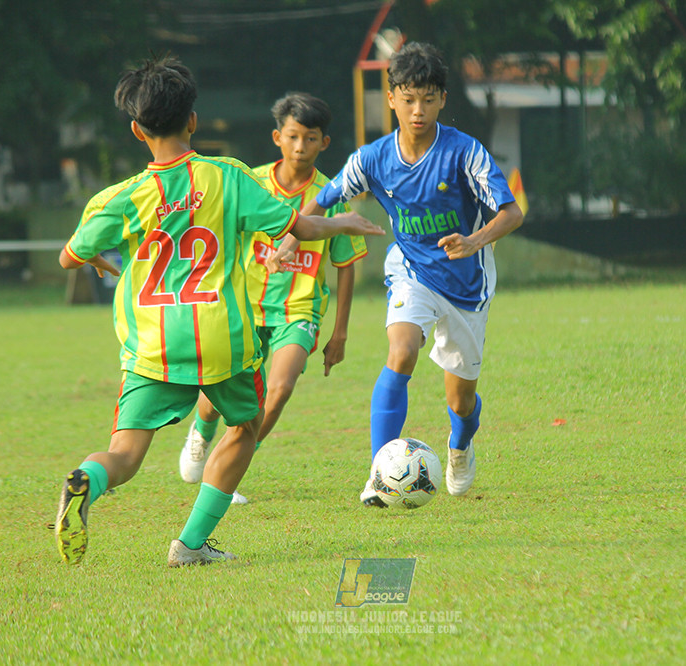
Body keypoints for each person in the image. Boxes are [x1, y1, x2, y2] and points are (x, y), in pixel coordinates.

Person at [54, 55, 383, 566]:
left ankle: (86, 480)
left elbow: (69, 255)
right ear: (193, 121)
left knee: (124, 454)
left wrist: (98, 258)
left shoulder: (122, 197)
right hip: (221, 337)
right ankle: (189, 546)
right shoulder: (228, 177)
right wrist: (344, 223)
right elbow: (299, 226)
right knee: (246, 428)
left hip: (153, 344)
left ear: (137, 130)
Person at [269, 42, 523, 506]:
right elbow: (323, 198)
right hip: (411, 272)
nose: (417, 110)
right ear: (391, 99)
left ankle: (460, 444)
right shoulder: (373, 158)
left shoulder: (464, 152)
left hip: (467, 284)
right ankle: (379, 475)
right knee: (402, 352)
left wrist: (473, 241)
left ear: (443, 99)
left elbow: (511, 213)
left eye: (427, 99)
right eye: (407, 99)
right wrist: (291, 239)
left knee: (461, 400)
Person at [178, 93, 368, 503]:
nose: (301, 147)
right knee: (216, 398)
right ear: (277, 137)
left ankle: (227, 474)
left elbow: (346, 264)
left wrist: (340, 334)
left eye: (311, 138)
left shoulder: (332, 196)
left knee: (278, 389)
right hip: (243, 307)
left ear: (324, 143)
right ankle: (202, 430)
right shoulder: (250, 183)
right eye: (293, 136)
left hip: (299, 311)